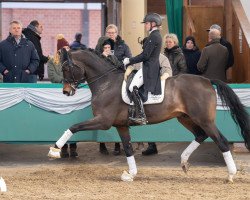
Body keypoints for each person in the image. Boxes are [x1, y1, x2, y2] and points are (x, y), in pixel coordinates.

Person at [96, 24, 132, 156]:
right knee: (101, 112)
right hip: (103, 82)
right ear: (106, 33)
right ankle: (102, 144)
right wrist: (102, 56)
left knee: (117, 112)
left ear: (117, 33)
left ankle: (118, 145)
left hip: (118, 80)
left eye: (113, 32)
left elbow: (129, 60)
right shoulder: (101, 44)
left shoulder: (123, 45)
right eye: (109, 32)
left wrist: (115, 59)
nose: (111, 34)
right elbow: (94, 60)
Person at [47, 34, 78, 158]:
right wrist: (66, 80)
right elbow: (52, 76)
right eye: (64, 48)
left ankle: (74, 145)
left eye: (68, 48)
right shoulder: (52, 61)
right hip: (58, 94)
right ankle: (63, 146)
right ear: (59, 50)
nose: (67, 50)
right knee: (62, 119)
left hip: (71, 93)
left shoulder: (73, 61)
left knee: (72, 118)